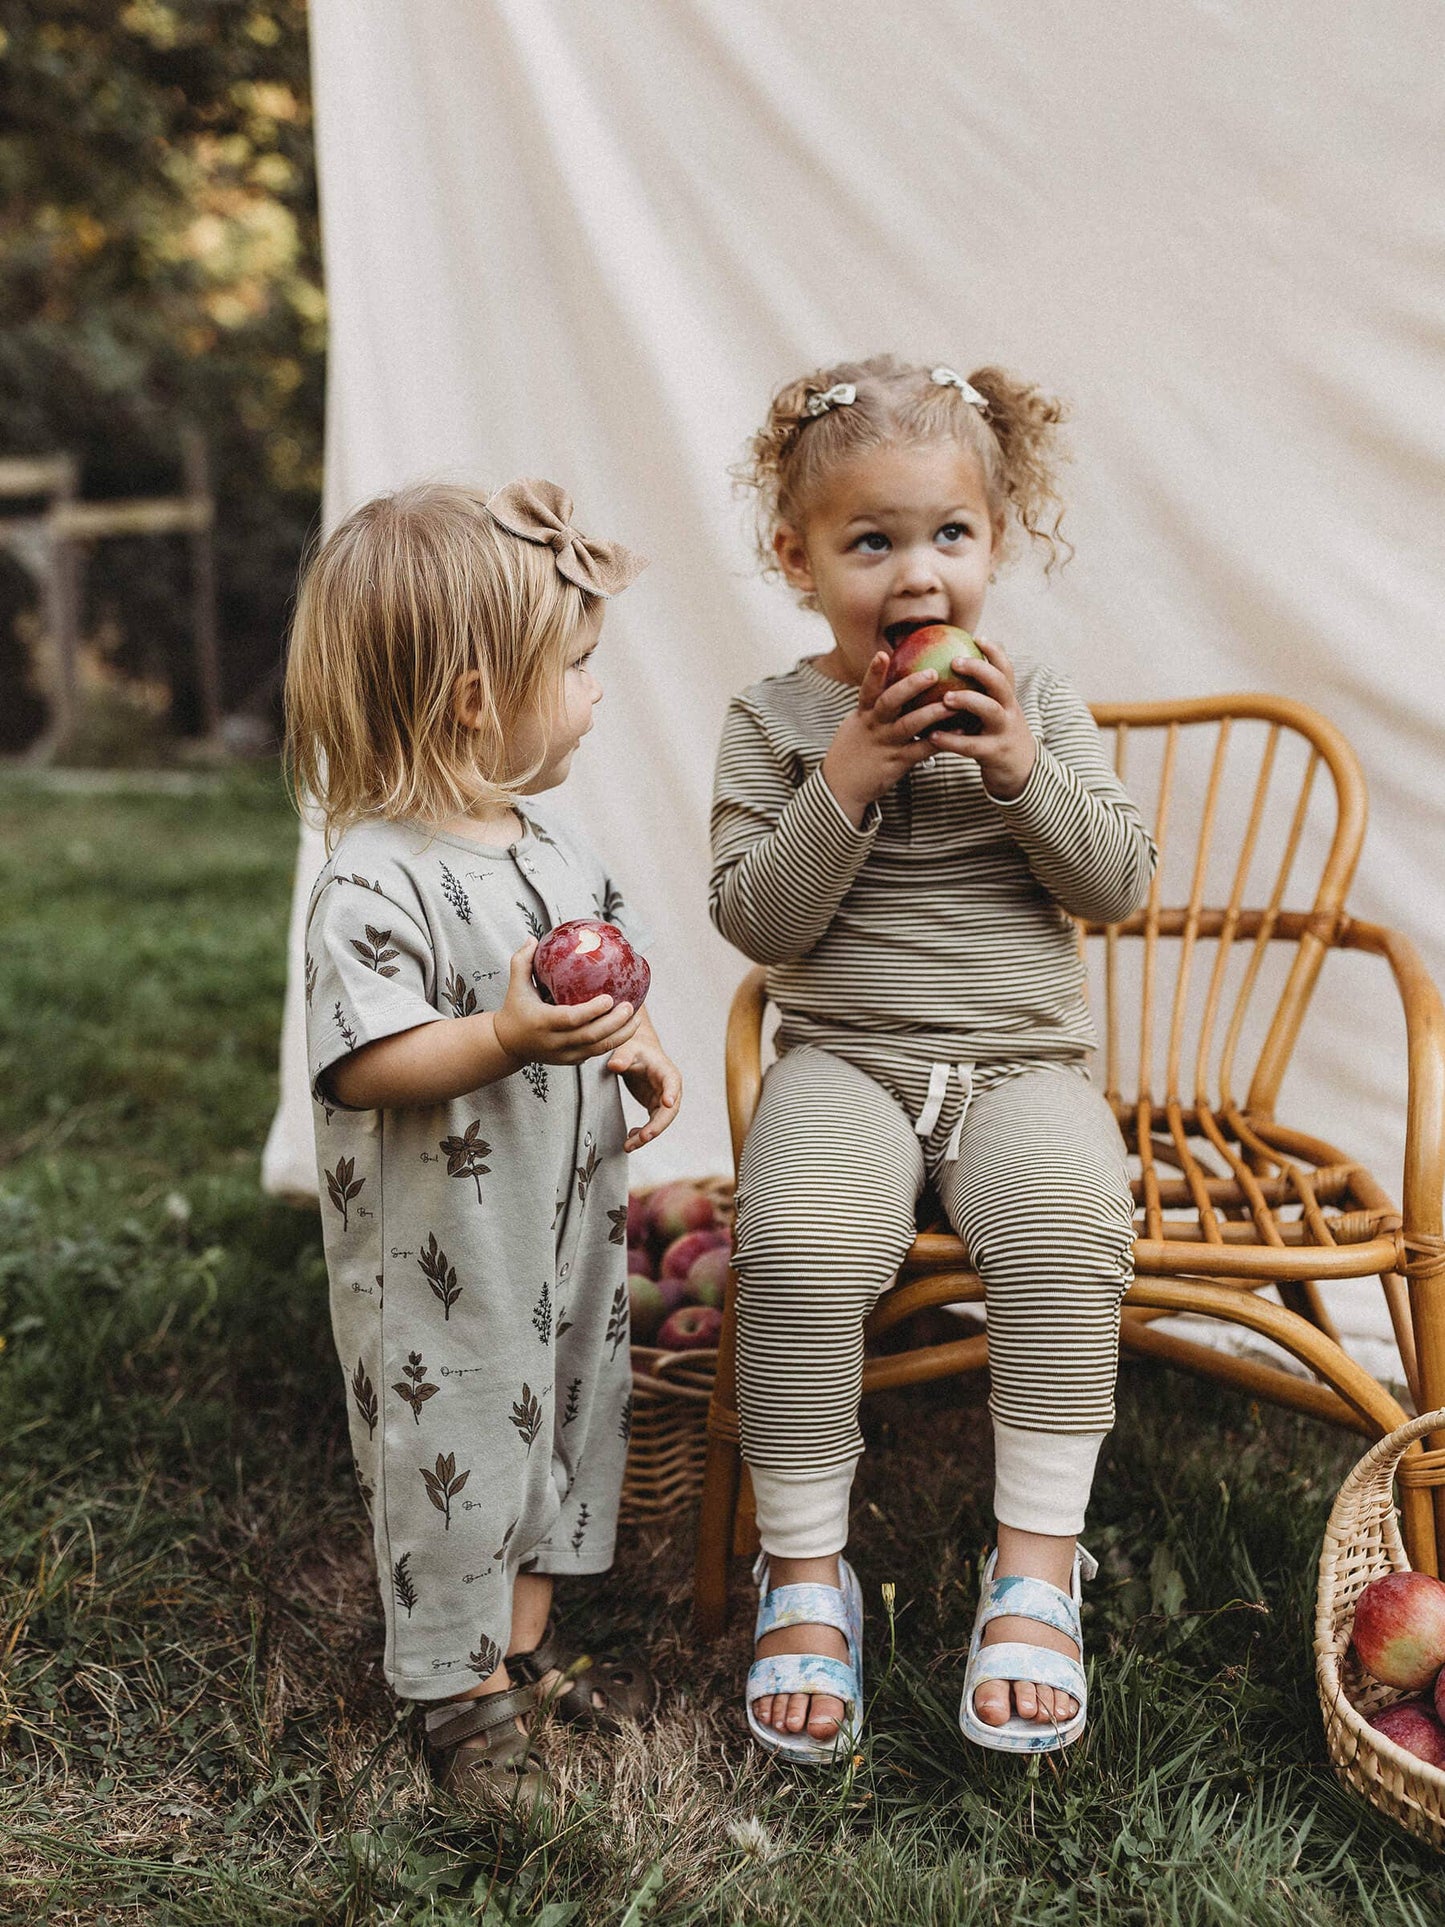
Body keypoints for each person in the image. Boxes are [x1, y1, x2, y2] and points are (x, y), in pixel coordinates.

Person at [711, 356, 1156, 1760]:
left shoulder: (1041, 710)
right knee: (788, 1242)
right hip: (847, 1058)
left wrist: (1022, 768)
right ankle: (801, 1572)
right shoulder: (777, 723)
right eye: (870, 542)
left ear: (996, 542)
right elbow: (753, 917)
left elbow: (1115, 888)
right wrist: (844, 779)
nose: (915, 576)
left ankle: (1034, 1569)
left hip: (1021, 1065)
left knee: (1067, 1215)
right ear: (796, 558)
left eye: (946, 535)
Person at [285, 479, 682, 1799]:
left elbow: (596, 983)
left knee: (564, 1417)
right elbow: (368, 1056)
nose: (595, 693)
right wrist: (504, 1039)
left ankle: (518, 1655)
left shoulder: (551, 845)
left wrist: (629, 1041)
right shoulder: (373, 875)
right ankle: (458, 1710)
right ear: (474, 698)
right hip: (446, 1257)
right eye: (574, 669)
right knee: (456, 1458)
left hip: (561, 1221)